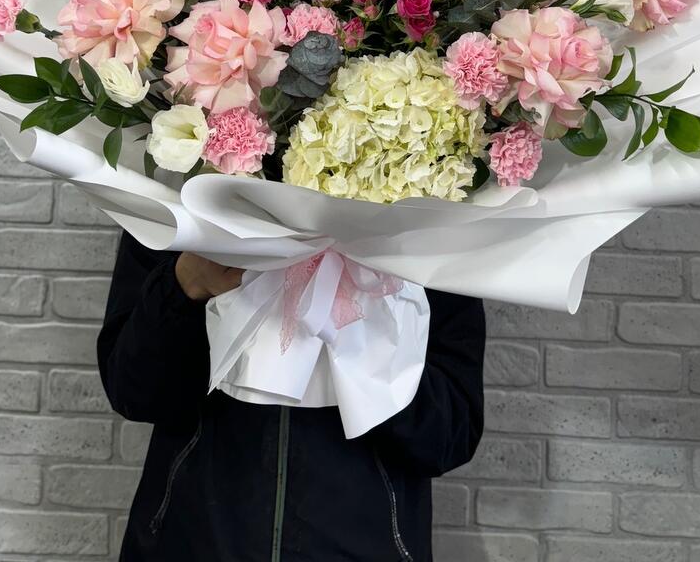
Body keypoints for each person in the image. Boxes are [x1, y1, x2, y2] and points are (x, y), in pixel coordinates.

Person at [98, 231, 485, 561]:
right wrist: (186, 283)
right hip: (192, 541)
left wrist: (362, 326)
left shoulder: (432, 222)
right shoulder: (180, 194)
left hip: (365, 547)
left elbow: (451, 433)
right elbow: (131, 389)